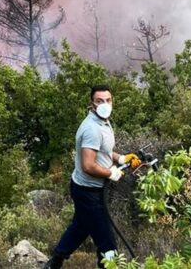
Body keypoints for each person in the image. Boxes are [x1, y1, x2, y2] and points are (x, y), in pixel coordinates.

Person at [43, 84, 140, 268]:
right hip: (87, 192)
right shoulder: (91, 129)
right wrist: (111, 172)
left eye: (108, 100)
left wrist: (121, 158)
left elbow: (104, 151)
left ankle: (54, 262)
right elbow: (88, 165)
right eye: (99, 101)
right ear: (92, 104)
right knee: (107, 243)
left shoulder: (104, 121)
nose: (105, 104)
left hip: (90, 189)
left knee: (80, 227)